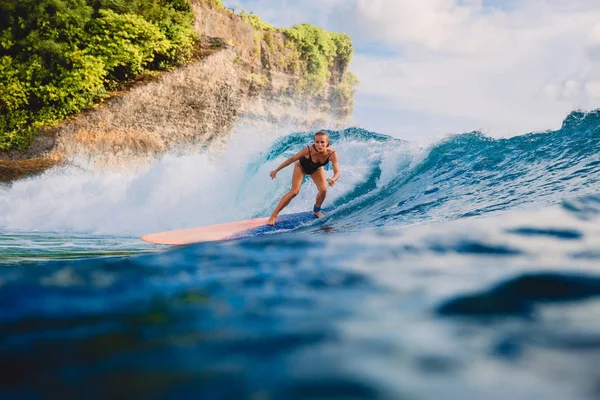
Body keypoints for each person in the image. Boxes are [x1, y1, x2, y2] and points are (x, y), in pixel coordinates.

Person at [267, 131, 340, 226]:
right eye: (317, 142)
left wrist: (333, 179)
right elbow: (292, 159)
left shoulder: (332, 154)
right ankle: (273, 215)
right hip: (301, 168)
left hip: (316, 169)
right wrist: (276, 170)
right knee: (294, 192)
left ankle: (316, 211)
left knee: (323, 190)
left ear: (327, 143)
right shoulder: (308, 150)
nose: (319, 145)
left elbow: (337, 172)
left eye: (322, 142)